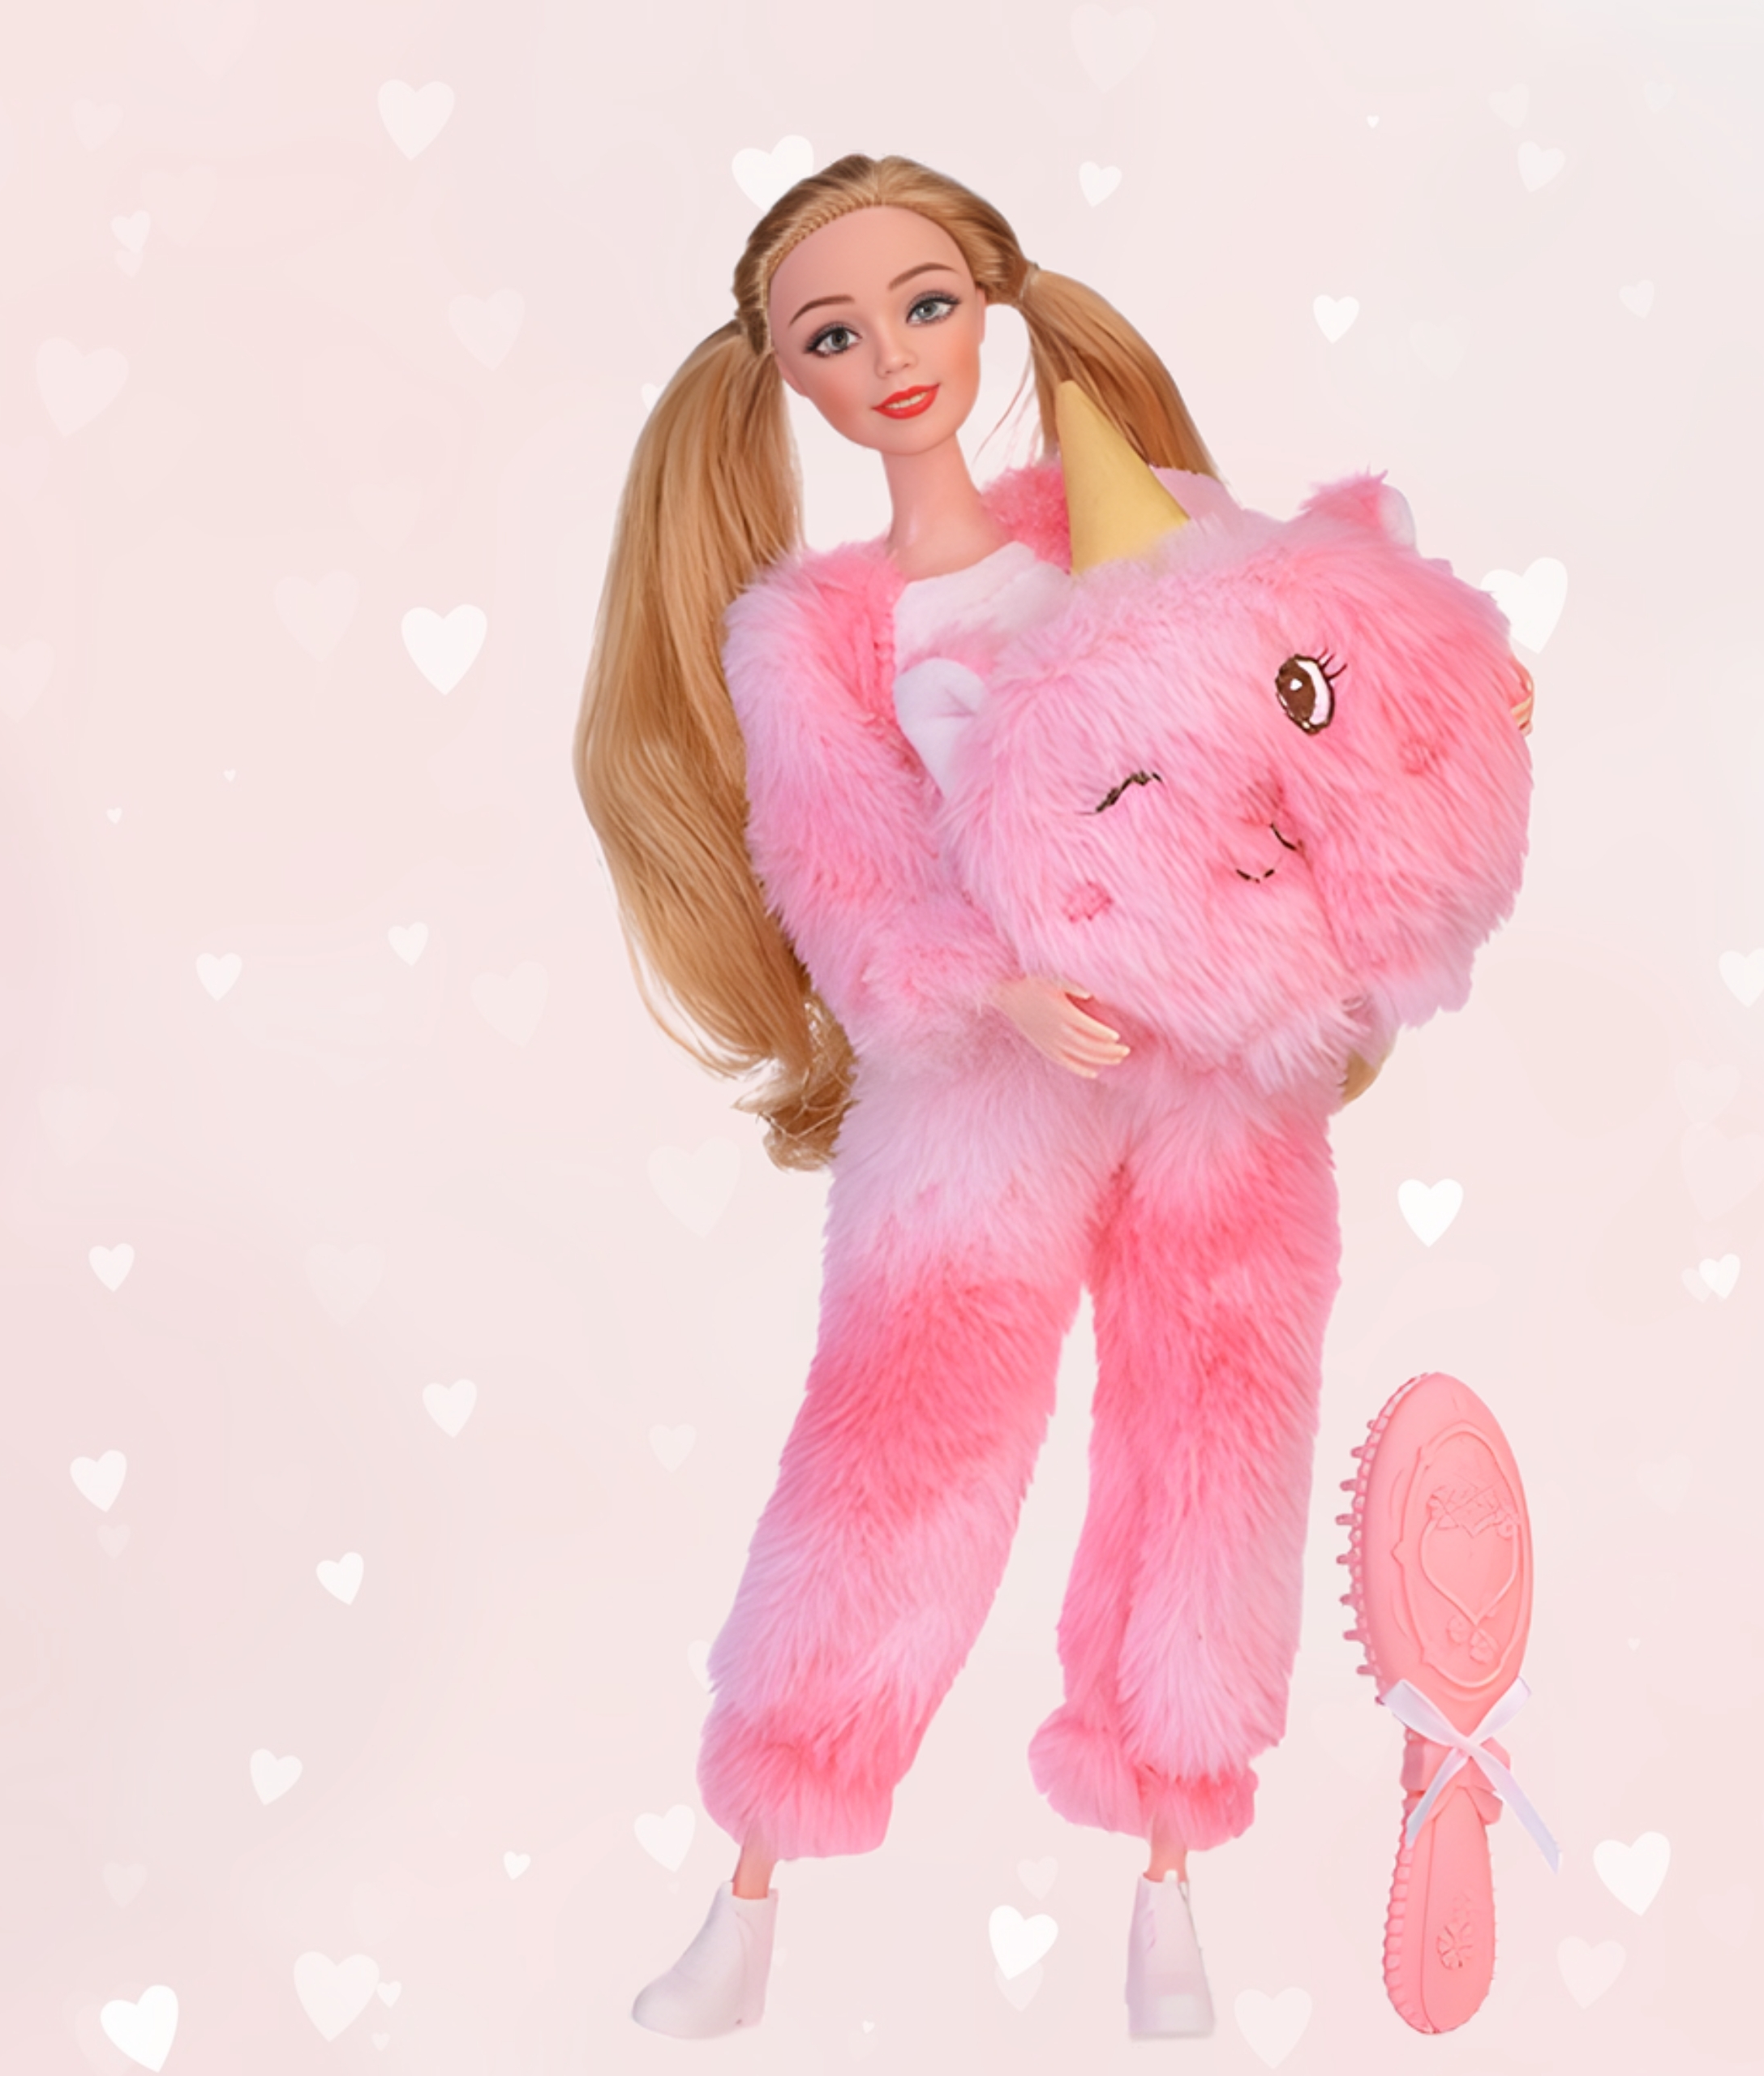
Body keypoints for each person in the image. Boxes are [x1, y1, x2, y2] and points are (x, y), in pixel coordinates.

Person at [573, 152, 1521, 2042]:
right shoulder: (814, 630)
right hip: (980, 1087)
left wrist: (1456, 729)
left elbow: (1305, 685)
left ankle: (1170, 1873)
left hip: (1210, 1069)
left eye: (923, 304)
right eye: (833, 336)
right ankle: (753, 1874)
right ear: (781, 375)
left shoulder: (1130, 510)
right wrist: (990, 980)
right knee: (900, 1443)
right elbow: (844, 890)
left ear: (990, 298)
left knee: (1213, 1430)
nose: (890, 357)